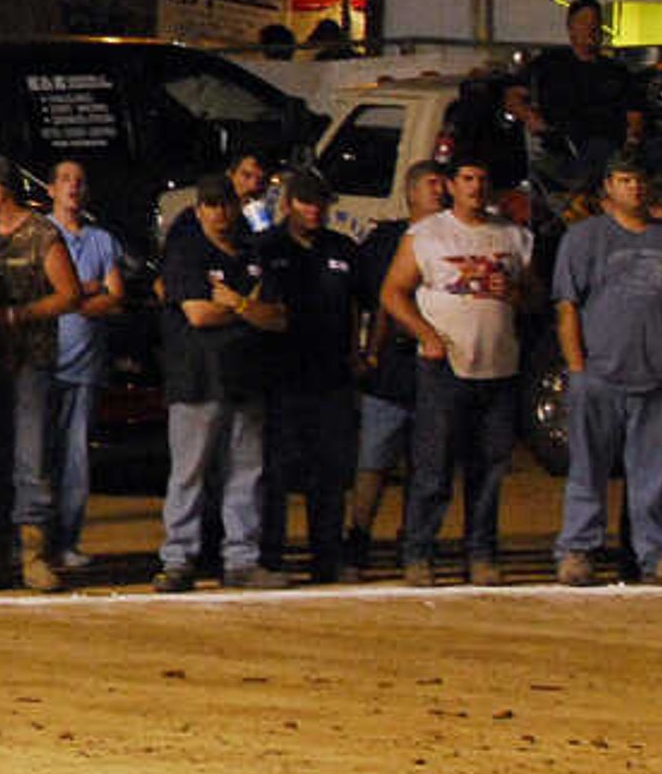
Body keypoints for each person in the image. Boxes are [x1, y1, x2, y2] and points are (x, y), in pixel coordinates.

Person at [550, 157, 662, 586]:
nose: (634, 188)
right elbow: (567, 307)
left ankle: (654, 554)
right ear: (608, 187)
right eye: (624, 180)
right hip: (598, 374)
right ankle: (578, 549)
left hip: (656, 377)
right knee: (587, 469)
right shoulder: (584, 239)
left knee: (652, 473)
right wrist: (576, 367)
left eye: (639, 180)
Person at [385, 158, 538, 585]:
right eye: (467, 179)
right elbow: (393, 292)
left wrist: (516, 293)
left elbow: (535, 297)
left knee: (489, 469)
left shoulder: (513, 236)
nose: (476, 186)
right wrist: (426, 335)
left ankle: (481, 553)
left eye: (483, 178)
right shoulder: (426, 235)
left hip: (499, 367)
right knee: (434, 467)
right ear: (452, 185)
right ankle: (419, 552)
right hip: (445, 368)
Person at [153, 166, 292, 592]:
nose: (219, 213)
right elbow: (197, 313)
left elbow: (278, 317)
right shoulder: (186, 251)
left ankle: (242, 560)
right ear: (198, 209)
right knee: (189, 473)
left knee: (246, 473)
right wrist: (245, 307)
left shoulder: (251, 252)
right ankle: (178, 559)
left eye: (225, 204)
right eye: (211, 205)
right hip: (196, 380)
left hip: (245, 379)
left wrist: (235, 304)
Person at [0, 154, 83, 592]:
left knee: (31, 460)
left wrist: (14, 315)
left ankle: (34, 553)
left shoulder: (41, 235)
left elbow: (69, 294)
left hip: (30, 362)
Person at [258, 169, 365, 583]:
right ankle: (271, 557)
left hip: (332, 378)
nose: (314, 209)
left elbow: (360, 305)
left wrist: (359, 354)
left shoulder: (343, 249)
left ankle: (328, 556)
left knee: (331, 472)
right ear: (288, 204)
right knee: (276, 472)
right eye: (305, 201)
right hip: (281, 379)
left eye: (320, 202)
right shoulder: (267, 248)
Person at [345, 162, 446, 569]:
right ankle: (357, 540)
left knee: (428, 465)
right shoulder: (385, 239)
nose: (439, 191)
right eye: (431, 183)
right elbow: (363, 299)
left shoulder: (456, 237)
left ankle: (416, 543)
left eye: (443, 183)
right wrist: (364, 351)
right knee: (373, 461)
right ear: (410, 192)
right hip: (390, 369)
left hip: (439, 369)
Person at [42, 159, 126, 571]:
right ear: (51, 189)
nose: (72, 187)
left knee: (74, 460)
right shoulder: (38, 235)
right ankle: (34, 543)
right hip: (41, 365)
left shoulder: (101, 240)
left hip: (83, 368)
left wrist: (73, 295)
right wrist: (85, 289)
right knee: (38, 459)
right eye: (64, 180)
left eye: (79, 180)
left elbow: (115, 295)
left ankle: (66, 542)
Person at [523, 0, 642, 194]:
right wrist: (530, 117)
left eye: (595, 23)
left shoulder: (617, 71)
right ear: (570, 28)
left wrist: (633, 141)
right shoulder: (548, 65)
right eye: (584, 22)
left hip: (608, 150)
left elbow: (635, 113)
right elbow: (515, 95)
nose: (590, 28)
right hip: (558, 148)